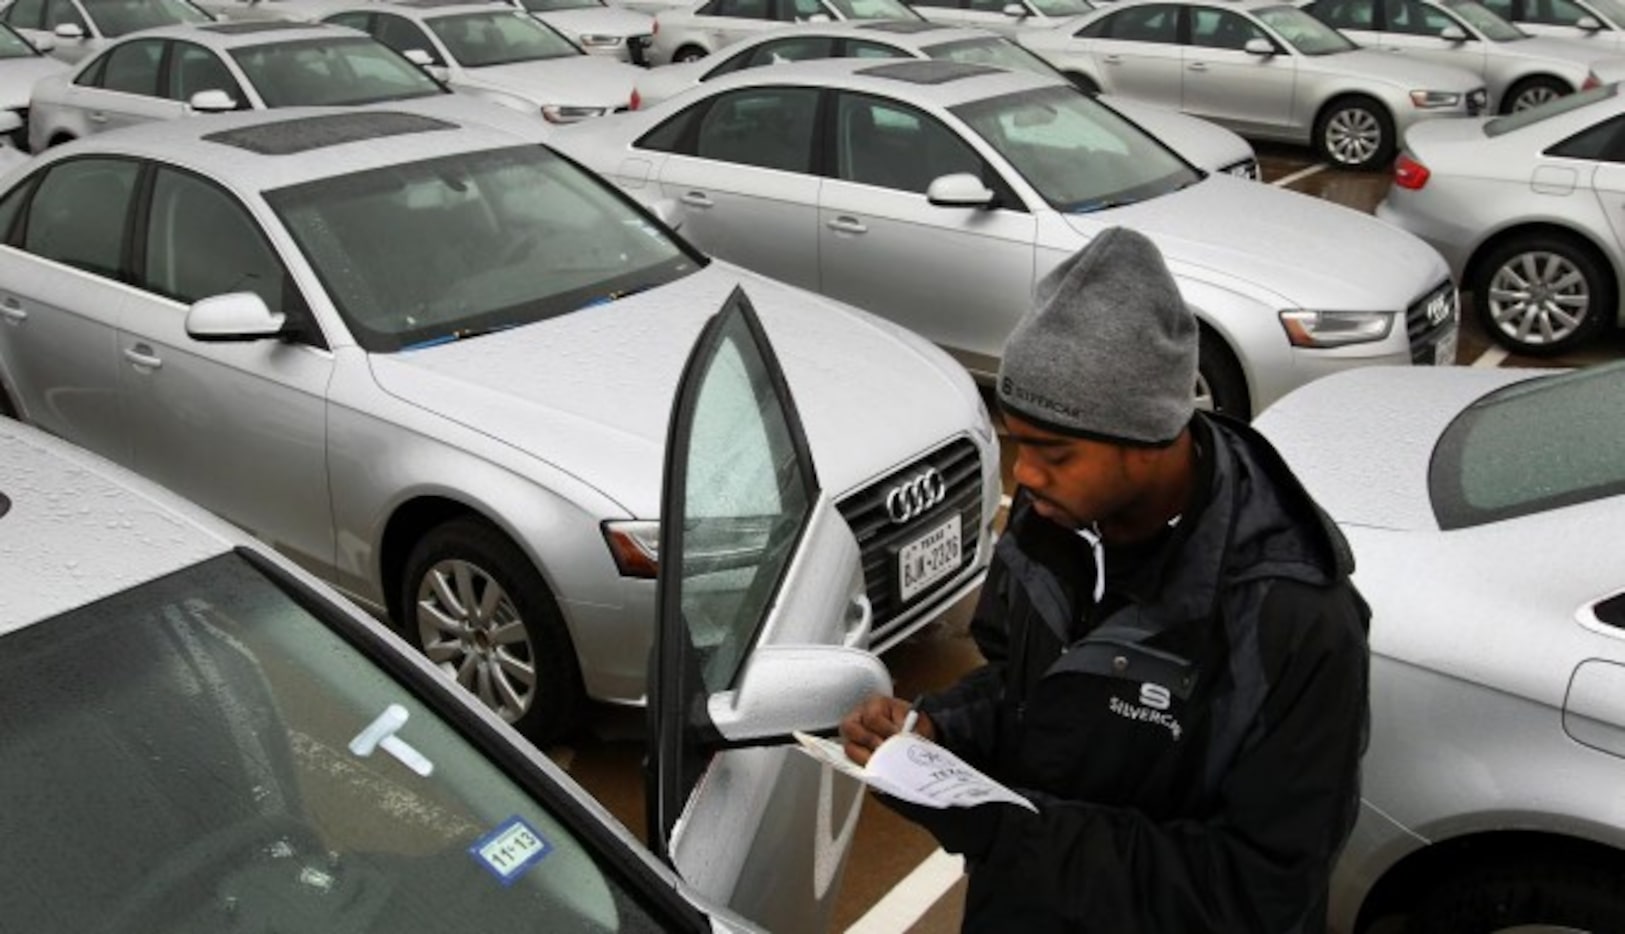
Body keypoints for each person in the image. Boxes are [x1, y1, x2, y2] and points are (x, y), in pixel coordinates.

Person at [840, 227, 1370, 933]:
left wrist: (1008, 832)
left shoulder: (1297, 621)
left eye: (1052, 451)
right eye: (1017, 442)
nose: (1023, 476)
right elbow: (1020, 684)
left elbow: (1259, 890)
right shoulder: (1052, 514)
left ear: (1150, 440)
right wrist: (939, 729)